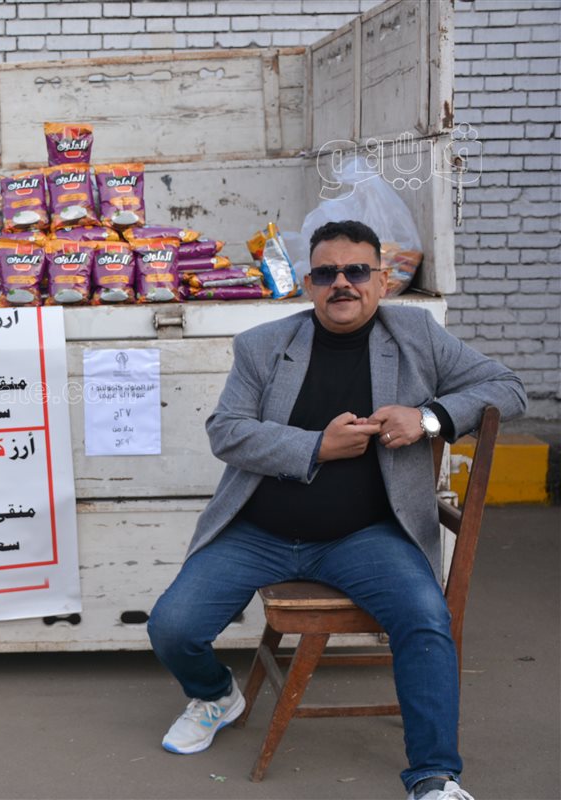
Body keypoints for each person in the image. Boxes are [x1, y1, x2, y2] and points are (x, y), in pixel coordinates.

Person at [146, 220, 526, 800]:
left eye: (356, 271)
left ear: (382, 280)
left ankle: (434, 777)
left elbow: (507, 388)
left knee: (425, 620)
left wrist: (427, 418)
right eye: (326, 273)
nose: (342, 283)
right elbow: (226, 431)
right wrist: (316, 446)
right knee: (172, 627)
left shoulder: (415, 335)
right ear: (309, 285)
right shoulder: (264, 344)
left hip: (365, 536)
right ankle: (215, 695)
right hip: (260, 531)